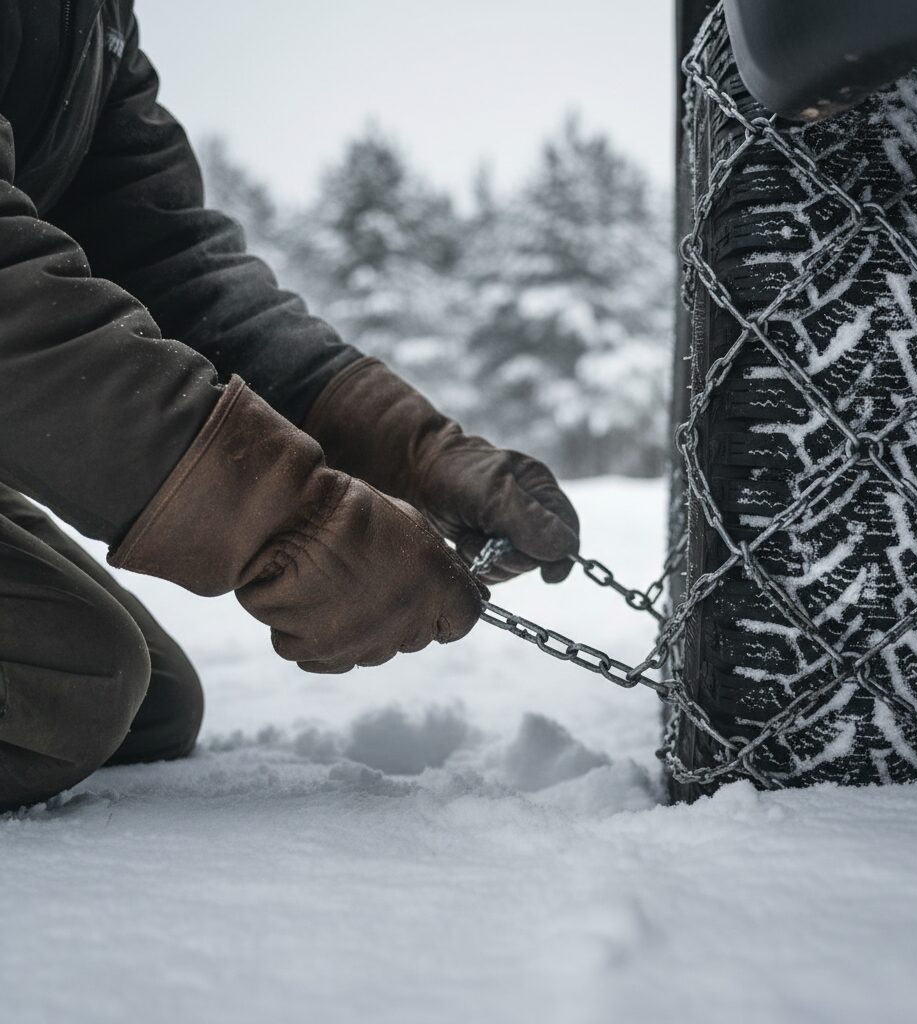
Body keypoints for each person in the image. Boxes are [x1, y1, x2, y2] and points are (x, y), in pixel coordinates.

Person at [0, 1, 579, 811]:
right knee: (64, 687)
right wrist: (288, 519)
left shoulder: (87, 24)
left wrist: (410, 452)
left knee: (146, 708)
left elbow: (165, 265)